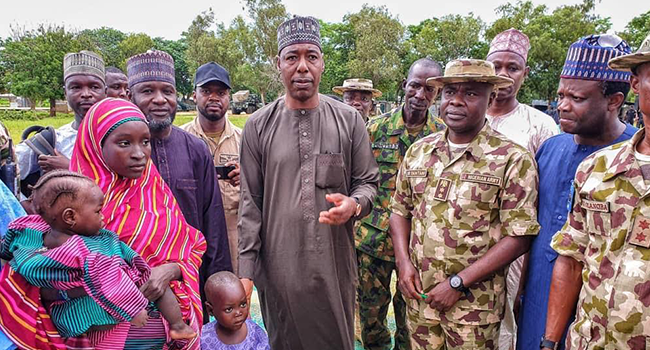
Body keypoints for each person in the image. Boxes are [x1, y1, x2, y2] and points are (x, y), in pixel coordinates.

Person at [0, 98, 206, 349]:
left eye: (145, 141)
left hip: (162, 335)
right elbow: (36, 272)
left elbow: (192, 245)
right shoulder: (71, 202)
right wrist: (92, 289)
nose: (139, 154)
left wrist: (170, 270)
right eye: (124, 143)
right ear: (96, 145)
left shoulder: (155, 194)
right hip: (97, 337)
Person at [238, 16, 379, 350]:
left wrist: (354, 204)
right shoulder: (258, 126)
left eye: (311, 57)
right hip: (278, 267)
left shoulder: (349, 120)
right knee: (284, 339)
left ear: (322, 63)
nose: (302, 67)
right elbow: (250, 204)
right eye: (292, 57)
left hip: (333, 264)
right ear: (279, 64)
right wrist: (246, 271)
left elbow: (368, 183)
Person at [389, 59, 540, 350]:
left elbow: (520, 236)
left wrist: (458, 283)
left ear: (490, 98)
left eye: (470, 93)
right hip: (421, 297)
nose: (456, 101)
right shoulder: (420, 151)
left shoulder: (511, 159)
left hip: (474, 307)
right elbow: (399, 210)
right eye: (450, 93)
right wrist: (403, 262)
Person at [517, 34, 637, 350]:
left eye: (577, 99)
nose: (563, 106)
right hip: (538, 301)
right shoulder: (549, 150)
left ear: (615, 100)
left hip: (606, 318)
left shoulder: (635, 155)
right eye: (561, 95)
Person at [1, 170, 197, 342]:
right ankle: (178, 326)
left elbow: (11, 240)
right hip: (86, 312)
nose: (103, 216)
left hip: (69, 313)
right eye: (98, 211)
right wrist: (134, 309)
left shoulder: (32, 231)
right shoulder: (81, 251)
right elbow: (107, 279)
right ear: (70, 217)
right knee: (156, 290)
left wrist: (138, 265)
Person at [127, 50, 232, 323]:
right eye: (148, 91)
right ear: (130, 97)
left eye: (168, 91)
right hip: (131, 291)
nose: (160, 100)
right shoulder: (117, 151)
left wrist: (218, 285)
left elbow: (213, 222)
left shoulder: (195, 149)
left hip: (189, 281)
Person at [353, 58, 444, 350]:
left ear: (437, 94)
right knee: (371, 317)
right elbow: (357, 179)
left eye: (430, 89)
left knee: (412, 319)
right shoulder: (375, 129)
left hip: (419, 246)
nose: (420, 95)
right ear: (405, 85)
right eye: (415, 86)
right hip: (372, 242)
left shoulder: (443, 136)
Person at [484, 28, 560, 350]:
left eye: (512, 68)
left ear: (525, 74)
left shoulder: (540, 126)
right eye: (496, 66)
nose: (503, 75)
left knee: (504, 323)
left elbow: (544, 198)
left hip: (514, 249)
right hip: (460, 243)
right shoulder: (463, 116)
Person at [181, 62, 242, 274]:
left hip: (234, 234)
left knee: (232, 297)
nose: (214, 98)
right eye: (206, 91)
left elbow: (263, 190)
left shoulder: (245, 140)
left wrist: (248, 178)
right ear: (194, 95)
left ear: (229, 97)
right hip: (191, 236)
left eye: (221, 92)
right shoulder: (180, 140)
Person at [16, 50, 106, 184]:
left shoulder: (122, 137)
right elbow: (10, 171)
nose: (86, 94)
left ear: (105, 91)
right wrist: (24, 203)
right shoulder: (53, 140)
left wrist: (70, 169)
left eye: (94, 87)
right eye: (76, 87)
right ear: (65, 93)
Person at [201, 271, 270, 349]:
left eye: (243, 304)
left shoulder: (255, 333)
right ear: (210, 310)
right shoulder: (204, 338)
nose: (238, 313)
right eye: (229, 309)